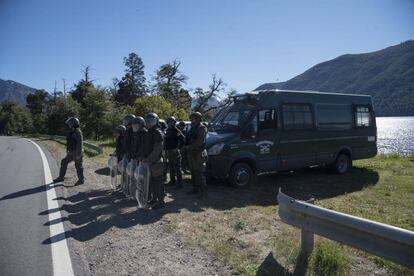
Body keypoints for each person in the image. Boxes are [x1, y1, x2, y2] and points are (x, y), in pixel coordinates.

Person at [143, 113, 166, 209]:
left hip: (156, 161)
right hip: (151, 161)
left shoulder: (157, 132)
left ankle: (160, 202)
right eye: (147, 120)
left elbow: (157, 149)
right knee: (152, 181)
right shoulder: (150, 131)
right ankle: (154, 199)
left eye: (151, 120)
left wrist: (149, 159)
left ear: (156, 121)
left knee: (158, 182)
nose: (148, 122)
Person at [53, 117, 84, 185]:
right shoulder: (72, 131)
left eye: (69, 124)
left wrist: (79, 154)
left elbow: (80, 143)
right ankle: (61, 177)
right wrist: (68, 150)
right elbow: (69, 141)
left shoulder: (78, 132)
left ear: (73, 124)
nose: (69, 125)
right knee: (64, 162)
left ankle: (81, 180)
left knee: (78, 166)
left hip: (77, 152)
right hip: (71, 152)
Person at [183, 112, 208, 197]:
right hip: (192, 153)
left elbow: (200, 141)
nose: (191, 120)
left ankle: (203, 192)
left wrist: (189, 147)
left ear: (197, 119)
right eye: (191, 119)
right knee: (193, 172)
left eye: (193, 119)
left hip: (199, 153)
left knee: (200, 173)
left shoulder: (202, 128)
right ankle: (195, 188)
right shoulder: (192, 127)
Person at [165, 116, 185, 189]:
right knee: (171, 167)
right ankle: (172, 181)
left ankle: (180, 184)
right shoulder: (168, 130)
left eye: (172, 122)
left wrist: (178, 148)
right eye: (169, 122)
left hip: (175, 151)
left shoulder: (176, 130)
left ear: (174, 122)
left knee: (177, 168)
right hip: (169, 151)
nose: (170, 123)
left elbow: (183, 139)